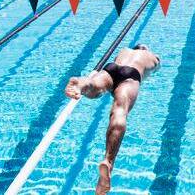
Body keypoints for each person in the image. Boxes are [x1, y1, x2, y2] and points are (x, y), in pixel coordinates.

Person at [63, 45, 161, 194]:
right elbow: (155, 68)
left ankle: (82, 84)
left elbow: (117, 62)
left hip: (112, 68)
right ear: (145, 49)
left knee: (95, 87)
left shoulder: (124, 50)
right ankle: (108, 161)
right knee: (120, 111)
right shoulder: (152, 56)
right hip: (131, 74)